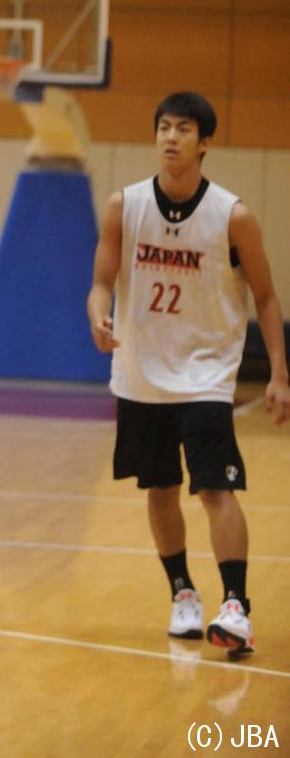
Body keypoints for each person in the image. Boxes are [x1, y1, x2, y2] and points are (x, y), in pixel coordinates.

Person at [88, 91, 288, 656]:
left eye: (183, 129)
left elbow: (267, 297)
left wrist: (278, 373)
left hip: (205, 375)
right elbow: (101, 281)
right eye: (164, 127)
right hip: (140, 374)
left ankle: (236, 606)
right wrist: (97, 315)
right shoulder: (124, 205)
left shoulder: (232, 215)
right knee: (160, 489)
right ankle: (183, 593)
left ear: (205, 143)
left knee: (217, 487)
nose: (171, 137)